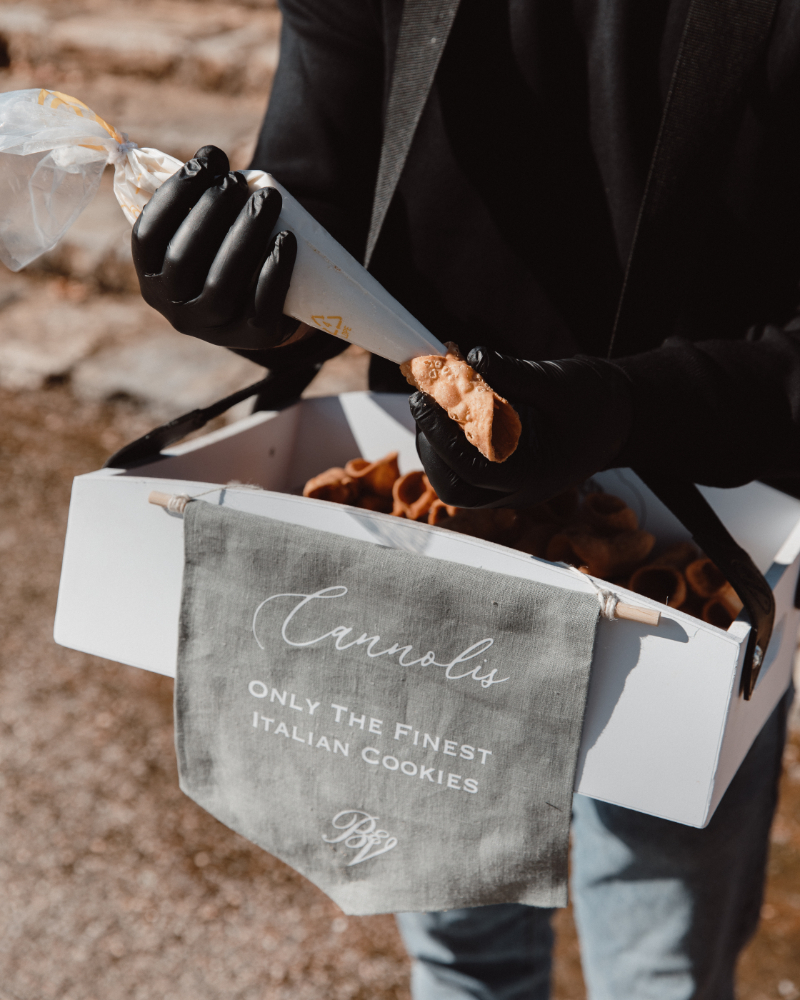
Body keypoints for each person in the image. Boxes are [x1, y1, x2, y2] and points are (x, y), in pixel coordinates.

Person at [131, 1, 799, 995]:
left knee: (659, 951)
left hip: (710, 519)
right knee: (459, 943)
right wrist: (243, 294)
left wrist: (616, 410)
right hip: (428, 543)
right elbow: (324, 200)